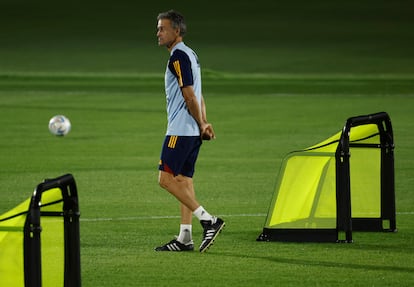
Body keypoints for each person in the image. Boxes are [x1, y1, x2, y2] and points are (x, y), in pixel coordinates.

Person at [155, 10, 225, 252]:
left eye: (162, 28)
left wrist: (201, 122)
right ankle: (185, 237)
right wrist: (203, 122)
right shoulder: (191, 54)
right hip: (192, 130)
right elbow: (199, 93)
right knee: (183, 180)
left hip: (180, 131)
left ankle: (208, 220)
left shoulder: (178, 57)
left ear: (177, 31)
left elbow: (189, 94)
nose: (158, 33)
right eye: (158, 28)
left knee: (165, 179)